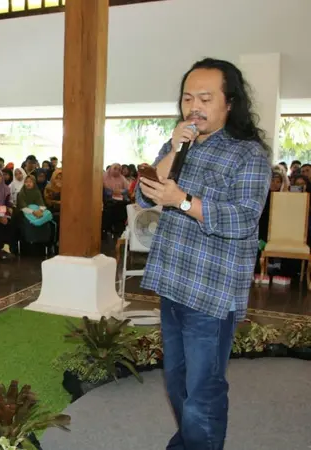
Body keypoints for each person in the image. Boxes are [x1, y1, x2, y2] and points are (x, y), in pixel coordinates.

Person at [136, 58, 271, 449]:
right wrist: (174, 148)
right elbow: (145, 193)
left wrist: (183, 202)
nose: (194, 107)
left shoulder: (248, 155)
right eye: (188, 98)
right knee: (177, 381)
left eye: (206, 98)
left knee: (203, 391)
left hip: (211, 296)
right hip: (172, 283)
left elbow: (244, 219)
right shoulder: (178, 142)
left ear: (230, 103)